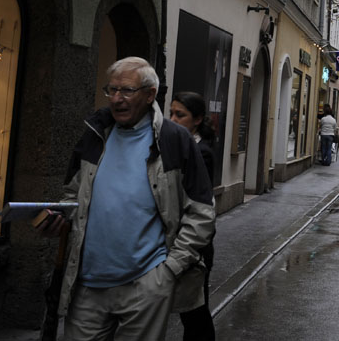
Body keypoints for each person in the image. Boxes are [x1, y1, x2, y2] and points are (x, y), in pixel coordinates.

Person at [40, 57, 215, 341]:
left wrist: (170, 270)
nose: (117, 99)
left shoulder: (174, 140)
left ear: (150, 95)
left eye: (127, 91)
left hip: (146, 283)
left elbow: (202, 212)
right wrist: (57, 217)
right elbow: (72, 196)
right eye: (112, 90)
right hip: (87, 283)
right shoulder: (96, 133)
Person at [170, 91, 217, 341]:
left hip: (195, 242)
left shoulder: (202, 151)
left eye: (180, 115)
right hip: (177, 238)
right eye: (171, 113)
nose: (173, 119)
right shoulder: (178, 144)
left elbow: (199, 202)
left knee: (195, 310)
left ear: (197, 119)